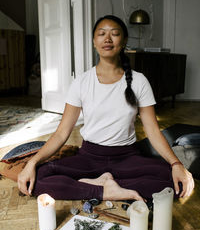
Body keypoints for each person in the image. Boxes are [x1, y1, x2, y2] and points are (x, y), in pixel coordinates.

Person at [17, 15, 194, 201]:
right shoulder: (81, 82)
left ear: (124, 41)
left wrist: (176, 164)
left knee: (175, 181)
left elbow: (153, 131)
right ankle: (104, 190)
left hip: (127, 158)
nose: (107, 39)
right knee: (39, 177)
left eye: (115, 34)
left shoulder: (140, 81)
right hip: (88, 157)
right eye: (101, 34)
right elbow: (61, 133)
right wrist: (32, 162)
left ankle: (97, 186)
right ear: (94, 42)